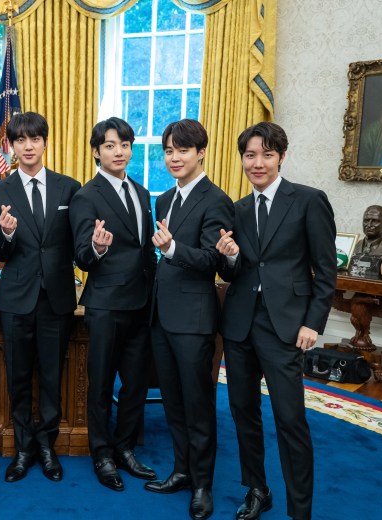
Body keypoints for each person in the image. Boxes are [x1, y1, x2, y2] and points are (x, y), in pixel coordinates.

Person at [216, 122, 336, 520]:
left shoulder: (308, 200)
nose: (258, 163)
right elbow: (234, 272)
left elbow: (325, 271)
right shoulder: (237, 209)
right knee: (243, 413)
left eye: (266, 154)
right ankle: (257, 489)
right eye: (250, 155)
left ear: (281, 157)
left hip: (286, 329)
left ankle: (300, 511)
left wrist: (313, 324)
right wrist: (229, 256)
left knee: (290, 420)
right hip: (239, 327)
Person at [0, 112, 81, 483]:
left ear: (44, 142)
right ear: (12, 145)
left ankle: (47, 446)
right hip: (16, 299)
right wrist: (6, 235)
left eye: (34, 139)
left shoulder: (69, 189)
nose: (28, 146)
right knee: (19, 377)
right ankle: (24, 448)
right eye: (20, 140)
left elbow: (77, 243)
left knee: (53, 376)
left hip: (56, 297)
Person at [145, 119, 233, 519]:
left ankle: (202, 485)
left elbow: (213, 260)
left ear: (201, 152)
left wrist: (173, 248)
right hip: (161, 317)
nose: (174, 157)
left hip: (195, 320)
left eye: (182, 150)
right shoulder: (163, 200)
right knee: (174, 404)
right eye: (168, 151)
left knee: (198, 406)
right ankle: (181, 470)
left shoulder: (216, 200)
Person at [69, 117, 157, 492]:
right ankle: (102, 453)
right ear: (96, 152)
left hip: (143, 302)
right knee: (102, 383)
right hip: (105, 304)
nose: (118, 151)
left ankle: (125, 447)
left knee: (136, 383)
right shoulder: (85, 196)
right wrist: (98, 247)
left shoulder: (141, 192)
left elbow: (146, 250)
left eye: (124, 144)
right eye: (109, 145)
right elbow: (81, 256)